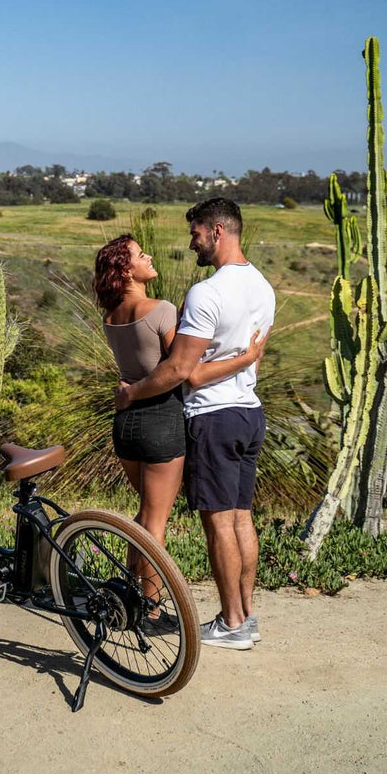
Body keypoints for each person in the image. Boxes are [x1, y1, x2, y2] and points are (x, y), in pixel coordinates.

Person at [113, 198, 275, 650]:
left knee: (219, 524)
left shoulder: (209, 292)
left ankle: (231, 623)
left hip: (213, 417)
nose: (192, 243)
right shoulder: (263, 287)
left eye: (197, 234)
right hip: (248, 412)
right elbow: (250, 361)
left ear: (218, 231)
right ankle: (245, 615)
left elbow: (182, 371)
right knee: (242, 518)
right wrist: (243, 359)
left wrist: (132, 393)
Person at [94, 233, 266, 571]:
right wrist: (246, 359)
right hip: (161, 421)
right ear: (126, 271)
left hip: (126, 423)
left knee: (144, 516)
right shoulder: (159, 310)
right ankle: (152, 607)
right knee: (155, 524)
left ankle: (131, 596)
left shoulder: (111, 317)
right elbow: (186, 369)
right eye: (140, 256)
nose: (148, 258)